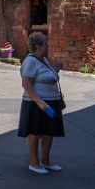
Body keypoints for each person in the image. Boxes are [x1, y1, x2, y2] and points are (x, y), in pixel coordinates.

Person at [18, 32, 65, 174]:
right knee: (34, 133)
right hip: (36, 102)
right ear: (38, 46)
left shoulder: (43, 59)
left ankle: (45, 161)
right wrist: (39, 102)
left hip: (50, 101)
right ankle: (34, 163)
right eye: (45, 44)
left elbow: (47, 77)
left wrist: (56, 69)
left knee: (48, 132)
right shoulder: (31, 61)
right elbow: (26, 83)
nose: (48, 46)